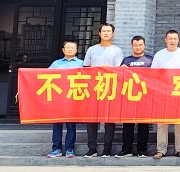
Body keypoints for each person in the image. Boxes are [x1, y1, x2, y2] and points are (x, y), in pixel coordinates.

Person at [83, 23, 124, 157]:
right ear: (99, 33)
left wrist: (109, 69)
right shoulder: (92, 49)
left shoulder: (117, 50)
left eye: (109, 31)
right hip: (93, 88)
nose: (106, 33)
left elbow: (119, 70)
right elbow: (86, 68)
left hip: (110, 88)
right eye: (104, 31)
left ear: (113, 34)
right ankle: (92, 148)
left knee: (109, 120)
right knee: (91, 120)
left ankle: (107, 148)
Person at [151, 29, 180, 159]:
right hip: (163, 93)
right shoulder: (159, 54)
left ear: (178, 40)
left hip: (179, 93)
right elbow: (152, 74)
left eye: (175, 38)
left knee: (179, 124)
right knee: (162, 123)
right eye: (170, 39)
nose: (172, 41)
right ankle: (161, 150)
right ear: (165, 40)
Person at [115, 36, 153, 158]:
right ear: (132, 46)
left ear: (144, 45)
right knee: (128, 124)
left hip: (145, 96)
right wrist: (121, 70)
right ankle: (127, 149)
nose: (138, 47)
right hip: (129, 96)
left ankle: (142, 150)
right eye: (135, 45)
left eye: (140, 45)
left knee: (143, 124)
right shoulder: (126, 60)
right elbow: (119, 78)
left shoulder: (150, 60)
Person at [46, 40, 83, 159]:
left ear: (76, 50)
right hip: (58, 98)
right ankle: (56, 148)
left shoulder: (81, 64)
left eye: (72, 48)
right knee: (57, 124)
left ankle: (69, 149)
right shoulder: (56, 63)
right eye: (68, 48)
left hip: (73, 98)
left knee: (71, 125)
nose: (70, 49)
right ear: (63, 50)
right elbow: (45, 76)